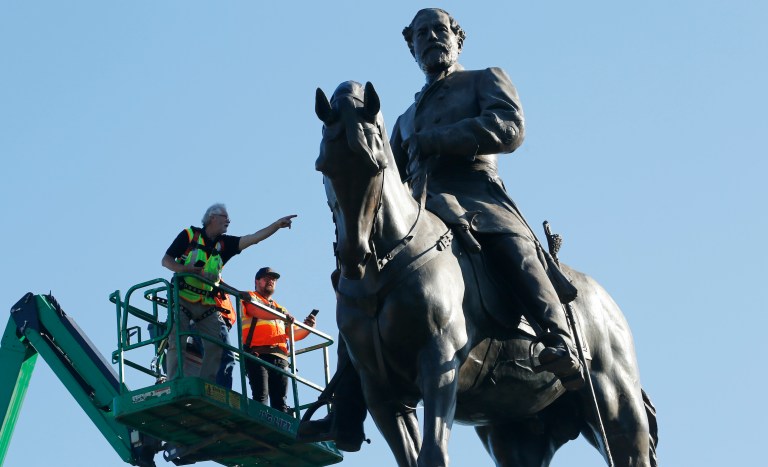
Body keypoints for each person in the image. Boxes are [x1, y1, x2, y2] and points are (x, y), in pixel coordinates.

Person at [299, 7, 584, 449]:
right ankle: (346, 409)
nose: (431, 38)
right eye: (421, 34)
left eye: (439, 30)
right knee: (357, 296)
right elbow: (384, 178)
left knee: (513, 249)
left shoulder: (484, 79)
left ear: (457, 38)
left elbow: (510, 127)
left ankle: (559, 340)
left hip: (478, 196)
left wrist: (438, 139)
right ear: (411, 47)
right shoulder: (403, 118)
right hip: (419, 211)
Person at [162, 203, 296, 382]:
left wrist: (276, 225)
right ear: (212, 218)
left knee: (218, 345)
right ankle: (174, 382)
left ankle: (207, 385)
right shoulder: (189, 235)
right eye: (225, 217)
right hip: (182, 299)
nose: (229, 221)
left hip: (206, 303)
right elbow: (166, 260)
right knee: (177, 342)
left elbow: (253, 238)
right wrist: (185, 269)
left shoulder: (225, 245)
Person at [240, 267, 316, 413]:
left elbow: (293, 335)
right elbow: (255, 310)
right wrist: (280, 315)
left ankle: (281, 424)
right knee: (261, 397)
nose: (271, 281)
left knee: (280, 402)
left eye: (273, 279)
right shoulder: (250, 297)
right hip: (257, 354)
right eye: (267, 278)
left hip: (280, 358)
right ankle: (260, 422)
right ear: (257, 281)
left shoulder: (280, 308)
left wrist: (308, 328)